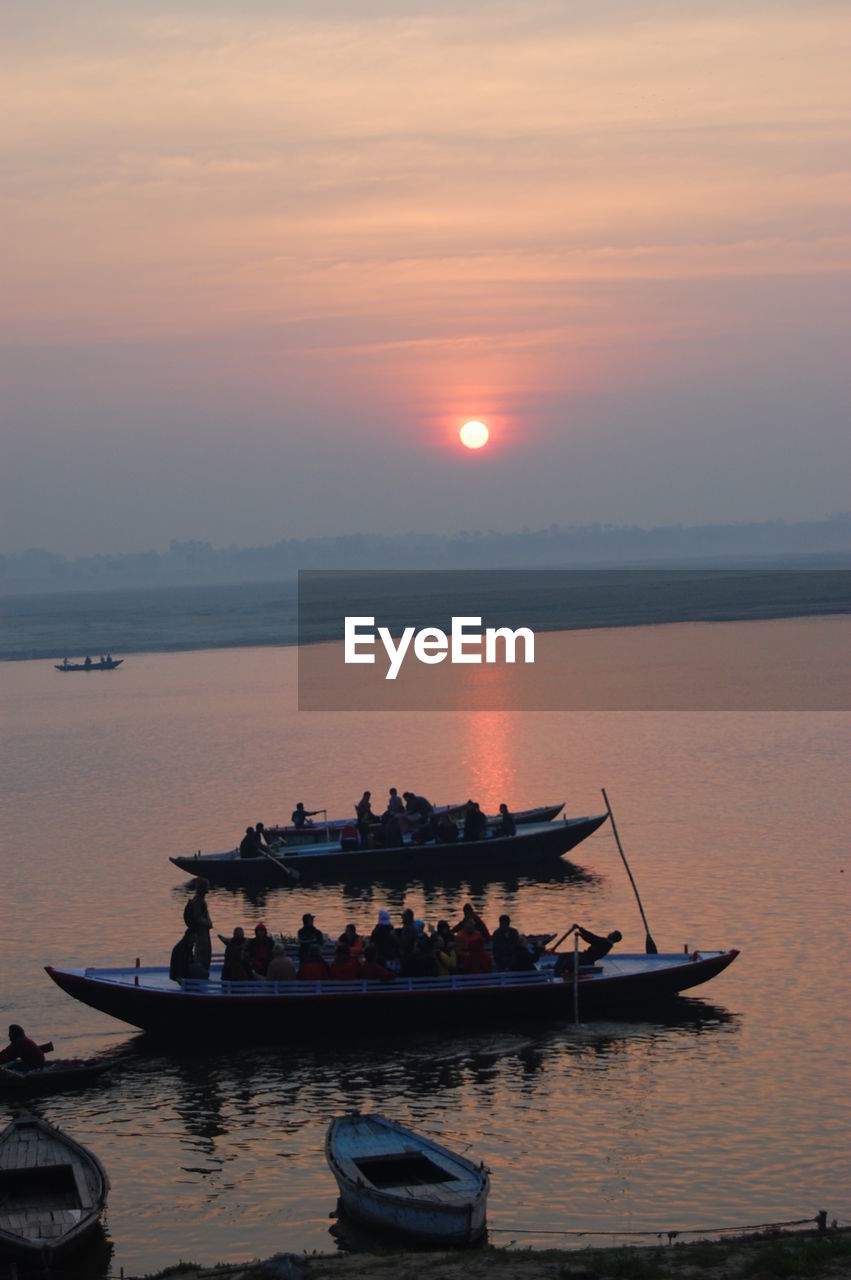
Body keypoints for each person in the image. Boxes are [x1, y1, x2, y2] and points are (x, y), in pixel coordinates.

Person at [553, 924, 623, 976]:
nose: (610, 933)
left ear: (613, 937)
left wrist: (581, 934)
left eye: (612, 934)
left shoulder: (606, 944)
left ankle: (558, 975)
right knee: (563, 955)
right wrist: (580, 928)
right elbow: (592, 936)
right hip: (584, 955)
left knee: (568, 961)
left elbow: (592, 939)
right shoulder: (604, 940)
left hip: (588, 960)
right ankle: (554, 971)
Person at [186, 877, 213, 975]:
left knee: (206, 952)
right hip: (201, 932)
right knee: (202, 952)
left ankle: (204, 970)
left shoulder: (201, 900)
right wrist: (208, 923)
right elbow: (198, 918)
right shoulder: (198, 900)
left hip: (204, 931)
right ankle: (201, 972)